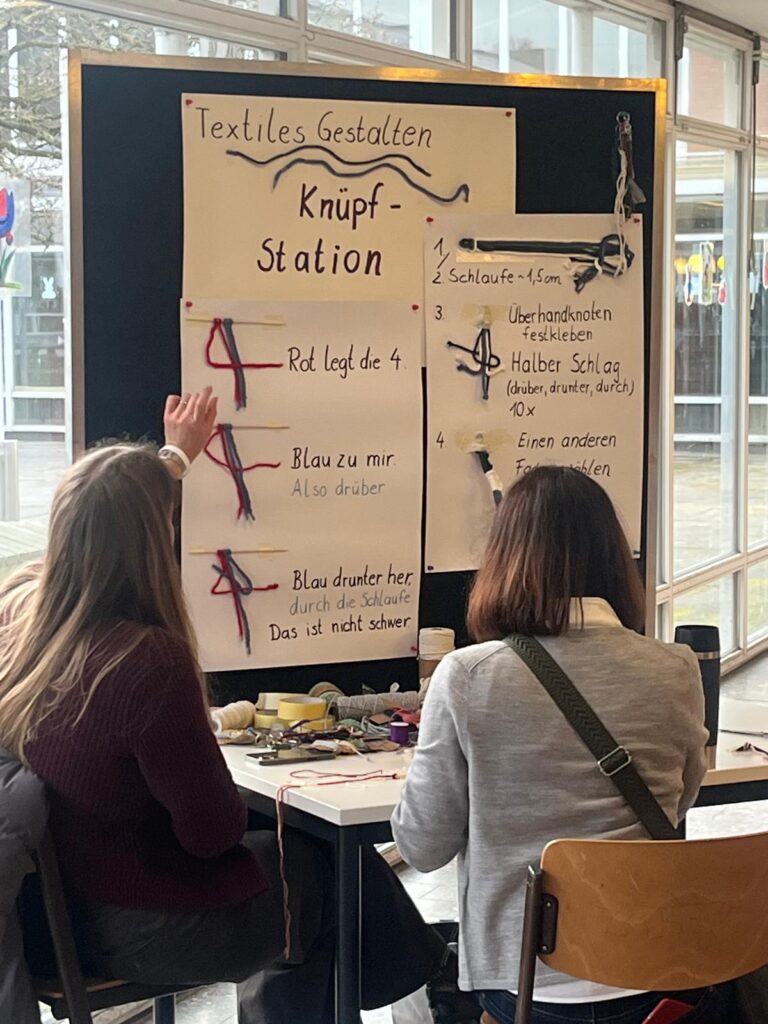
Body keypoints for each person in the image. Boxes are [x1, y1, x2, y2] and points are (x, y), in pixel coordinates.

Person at [0, 387, 444, 1024]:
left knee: (309, 864)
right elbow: (211, 836)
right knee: (324, 869)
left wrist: (176, 459)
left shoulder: (20, 621)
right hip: (135, 928)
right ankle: (432, 979)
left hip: (50, 921)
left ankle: (430, 977)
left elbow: (103, 516)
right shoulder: (145, 662)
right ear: (155, 541)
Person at [392, 466, 713, 1024]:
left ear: (504, 560)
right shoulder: (676, 668)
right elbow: (678, 804)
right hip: (656, 979)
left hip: (525, 988)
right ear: (615, 559)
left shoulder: (467, 676)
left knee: (409, 989)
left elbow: (422, 848)